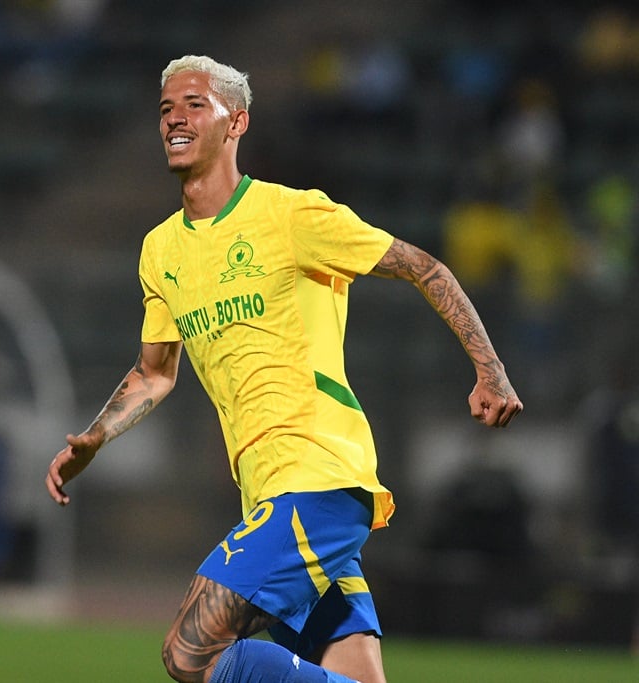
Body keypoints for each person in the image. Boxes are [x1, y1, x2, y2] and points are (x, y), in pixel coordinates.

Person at [46, 55, 524, 683]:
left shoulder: (291, 215)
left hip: (318, 478)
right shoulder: (160, 250)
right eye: (166, 108)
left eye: (194, 104)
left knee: (191, 652)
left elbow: (424, 267)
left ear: (235, 121)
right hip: (267, 492)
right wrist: (97, 437)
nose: (175, 119)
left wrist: (490, 371)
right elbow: (155, 372)